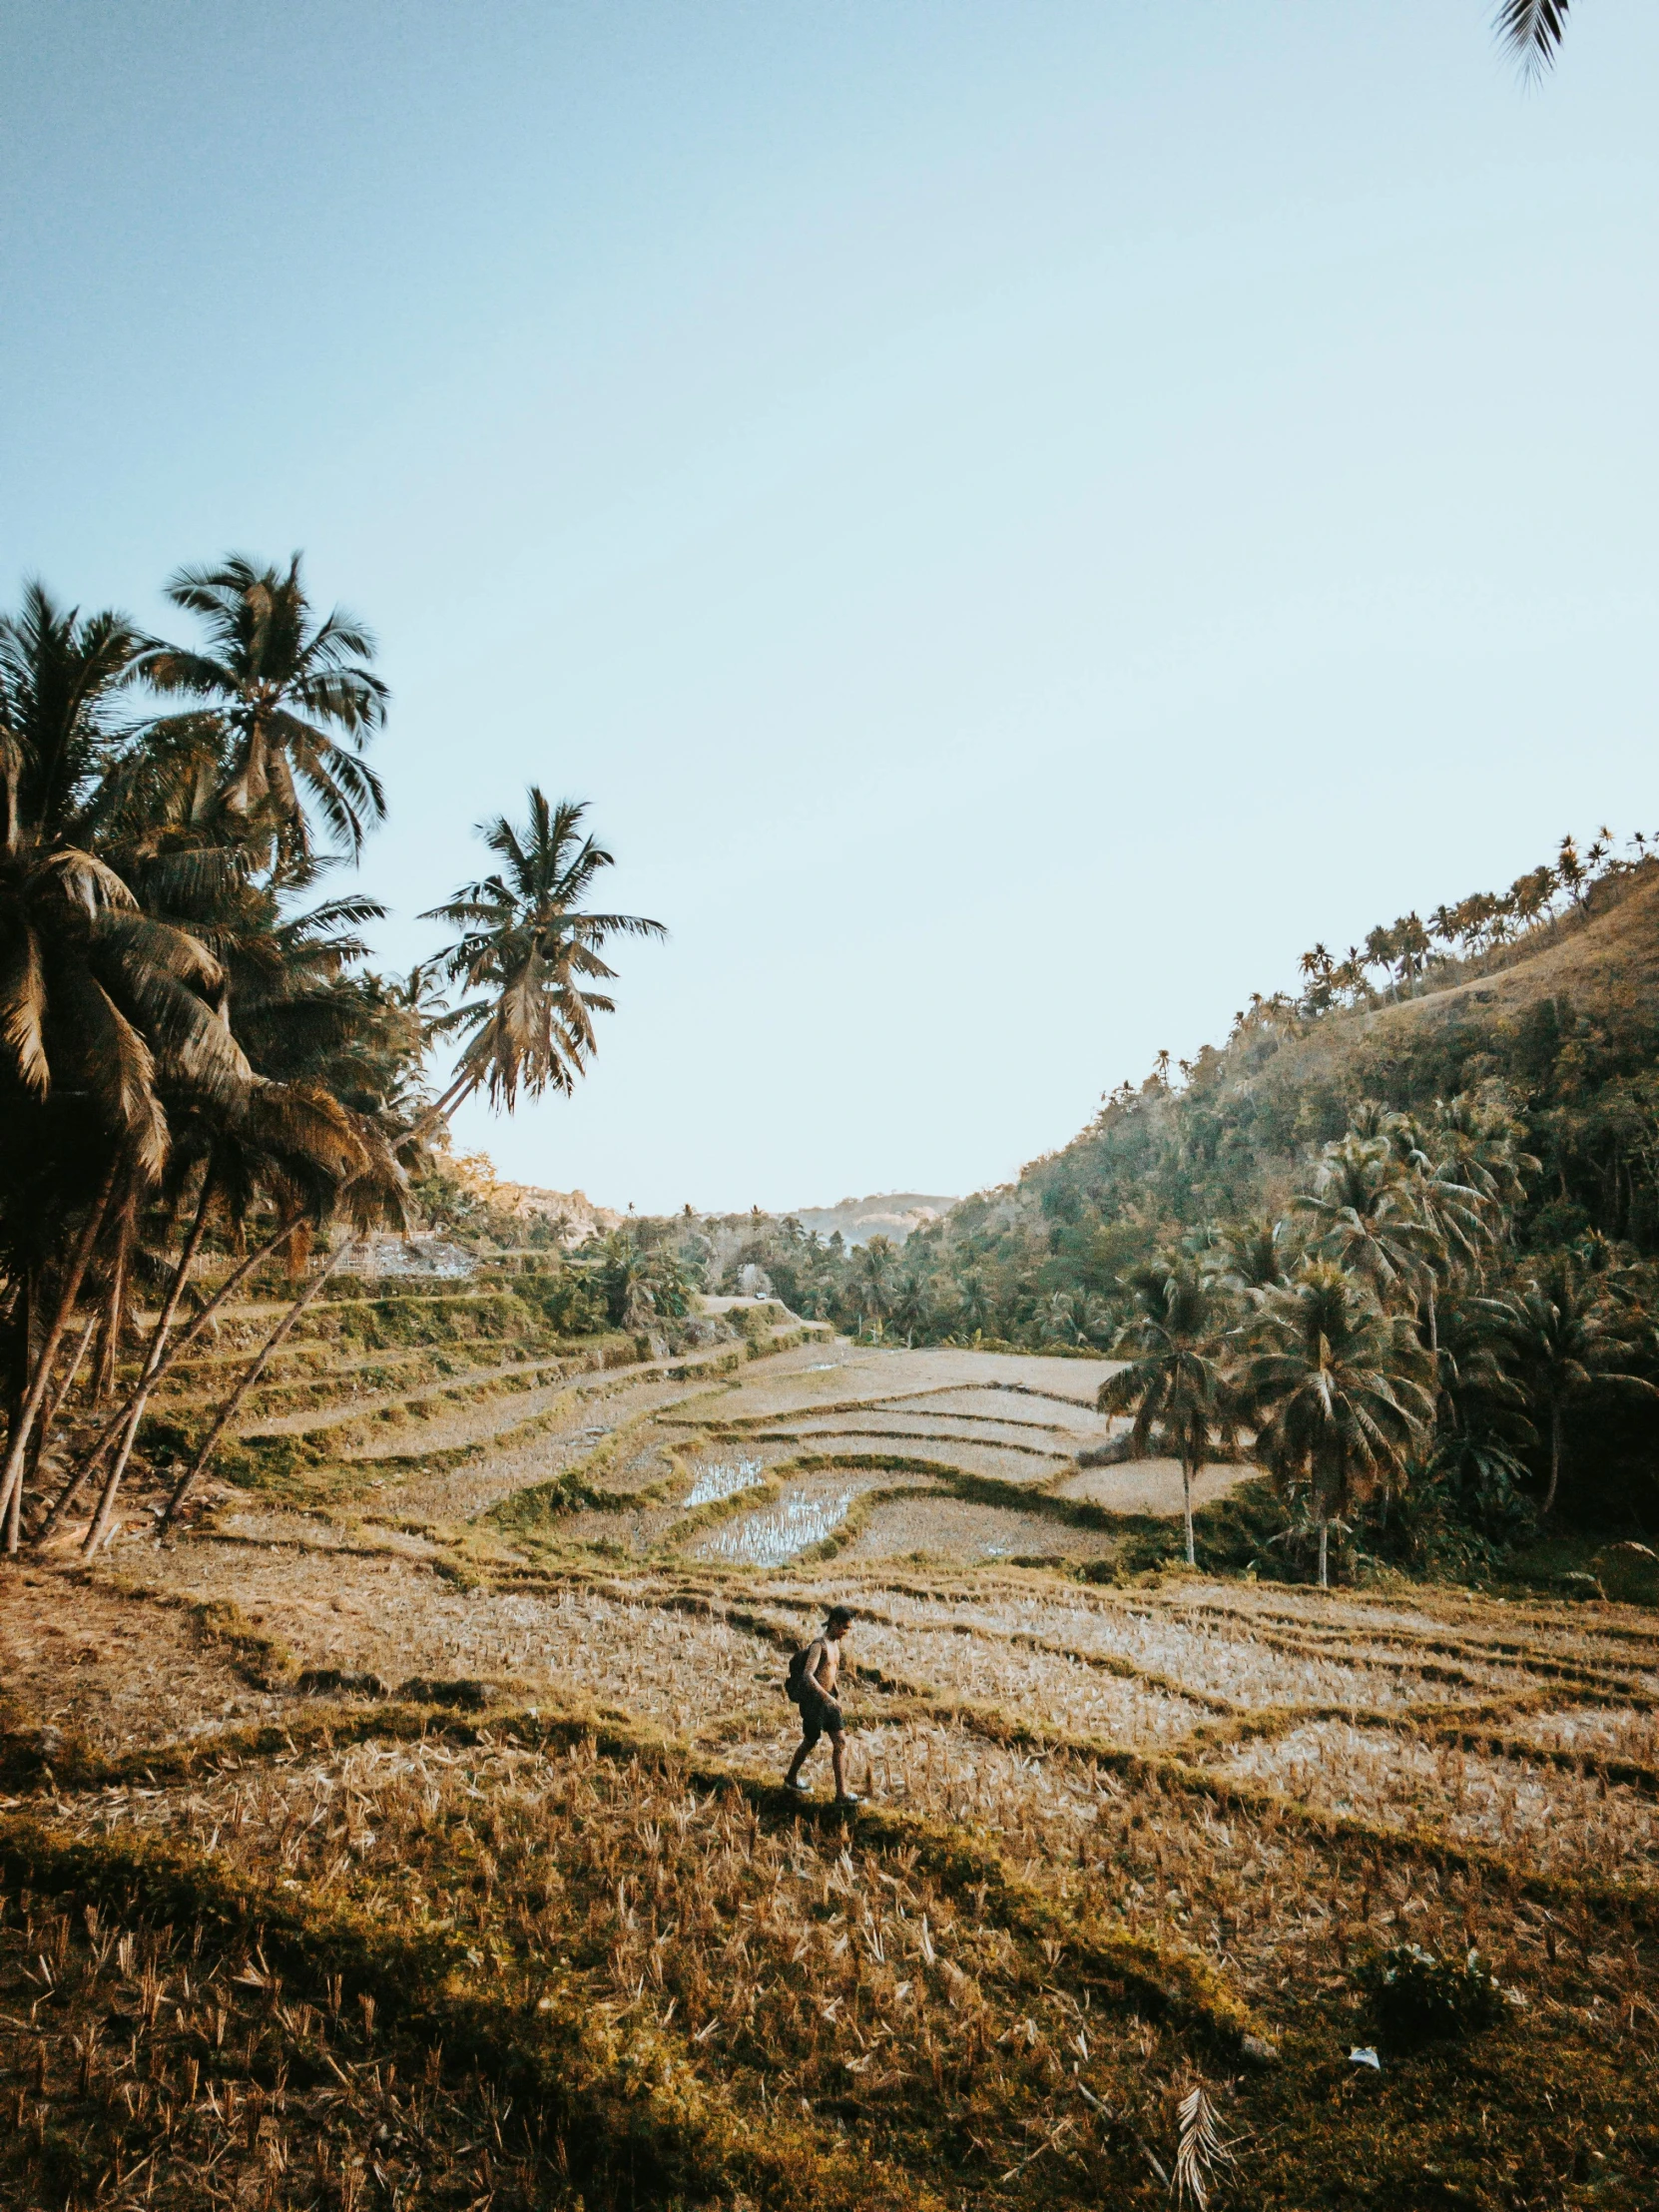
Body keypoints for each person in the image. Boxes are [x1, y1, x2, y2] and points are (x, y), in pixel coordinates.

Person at [785, 1603, 861, 1804]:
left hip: (829, 1701)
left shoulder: (835, 1645)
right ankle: (791, 1778)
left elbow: (829, 1670)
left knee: (840, 1743)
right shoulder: (819, 1645)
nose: (846, 1632)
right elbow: (808, 1675)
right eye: (845, 1627)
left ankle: (841, 1794)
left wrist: (835, 1689)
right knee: (810, 1740)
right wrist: (827, 1697)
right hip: (815, 1702)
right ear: (834, 1624)